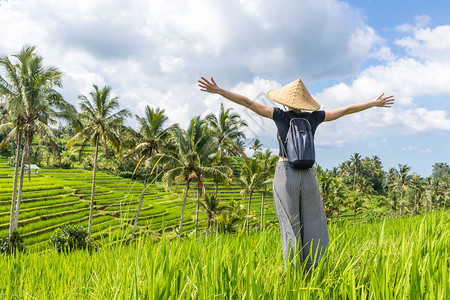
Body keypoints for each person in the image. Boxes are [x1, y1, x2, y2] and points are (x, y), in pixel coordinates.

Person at [198, 76, 395, 270]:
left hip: (286, 172)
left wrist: (220, 91)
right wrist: (373, 103)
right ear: (306, 102)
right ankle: (316, 267)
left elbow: (248, 103)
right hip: (309, 174)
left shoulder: (279, 115)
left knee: (290, 223)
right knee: (313, 222)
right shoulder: (314, 118)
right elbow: (346, 110)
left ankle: (293, 270)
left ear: (286, 100)